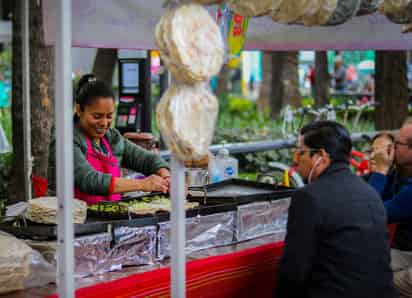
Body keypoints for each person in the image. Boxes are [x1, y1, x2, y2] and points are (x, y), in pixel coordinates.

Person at [275, 121, 397, 298]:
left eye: (301, 152)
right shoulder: (370, 192)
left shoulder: (309, 197)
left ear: (321, 156)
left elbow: (294, 268)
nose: (295, 159)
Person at [48, 74, 170, 205]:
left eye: (109, 116)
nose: (104, 123)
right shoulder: (65, 137)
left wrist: (166, 177)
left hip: (107, 218)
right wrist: (142, 184)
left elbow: (146, 159)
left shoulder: (112, 137)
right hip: (70, 219)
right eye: (97, 116)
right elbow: (88, 179)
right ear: (79, 110)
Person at [367, 119, 412, 297]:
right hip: (404, 251)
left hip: (407, 256)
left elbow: (370, 213)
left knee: (364, 277)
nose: (392, 149)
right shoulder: (401, 176)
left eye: (397, 144)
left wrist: (379, 171)